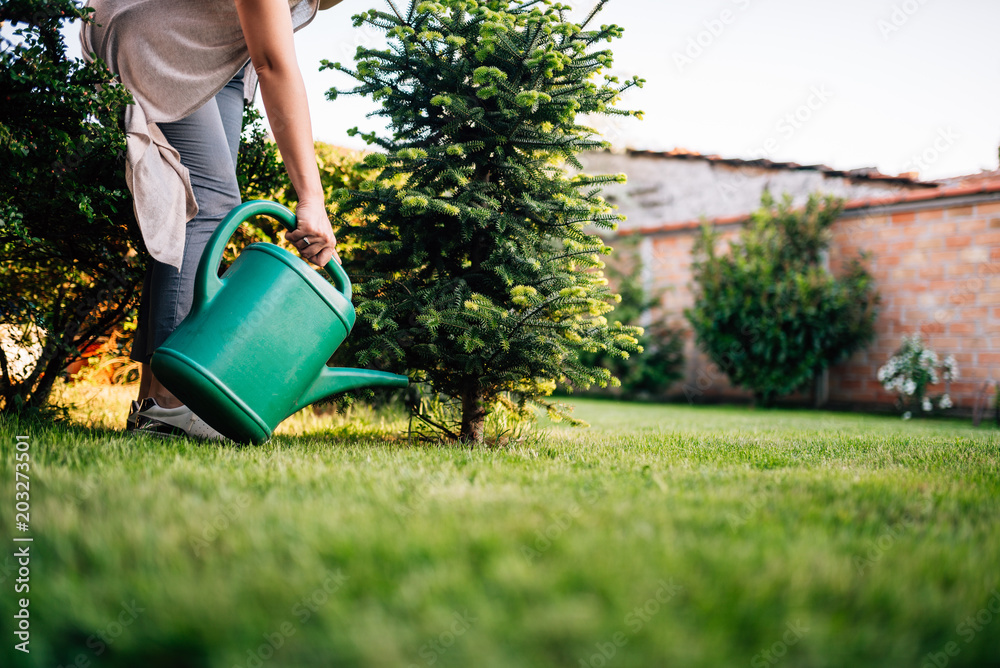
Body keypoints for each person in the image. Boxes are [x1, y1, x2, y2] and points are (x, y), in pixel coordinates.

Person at [80, 0, 345, 439]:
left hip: (218, 53)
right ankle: (171, 404)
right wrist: (311, 197)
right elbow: (274, 63)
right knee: (209, 204)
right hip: (160, 38)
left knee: (192, 211)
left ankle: (154, 402)